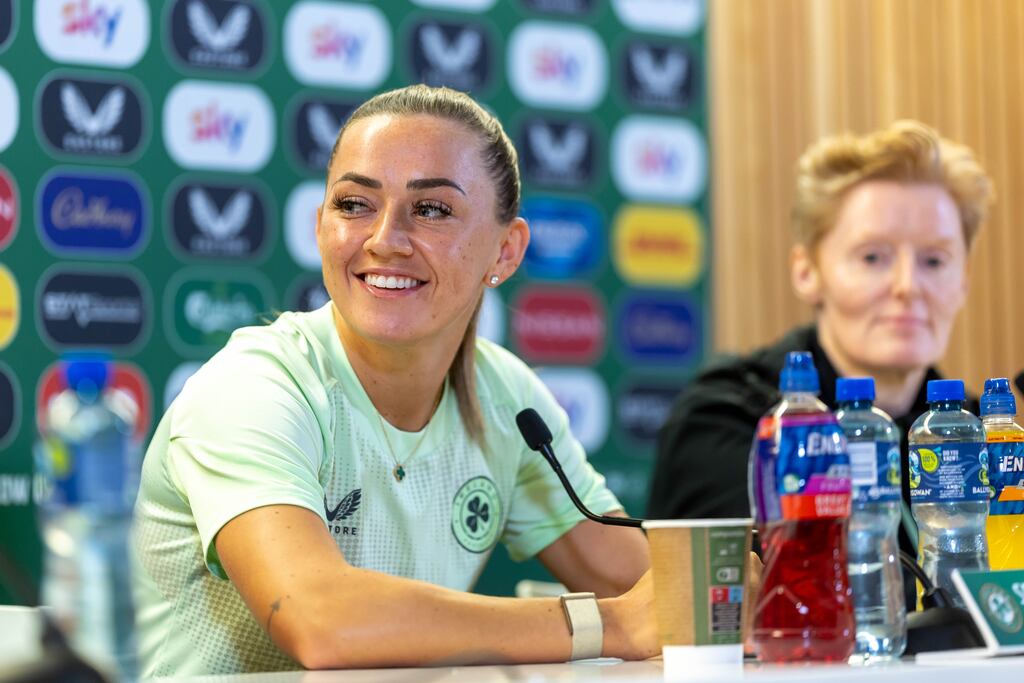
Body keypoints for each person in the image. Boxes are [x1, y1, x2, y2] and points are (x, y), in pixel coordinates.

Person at [131, 85, 656, 677]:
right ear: (321, 225)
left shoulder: (506, 397)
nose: (384, 239)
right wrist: (605, 625)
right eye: (354, 204)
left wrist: (754, 572)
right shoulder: (254, 386)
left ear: (505, 252)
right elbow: (322, 620)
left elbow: (649, 589)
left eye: (431, 209)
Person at [647, 121, 992, 599]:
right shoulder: (728, 420)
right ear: (807, 271)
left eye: (934, 261)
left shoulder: (981, 438)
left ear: (964, 281)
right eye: (873, 257)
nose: (908, 286)